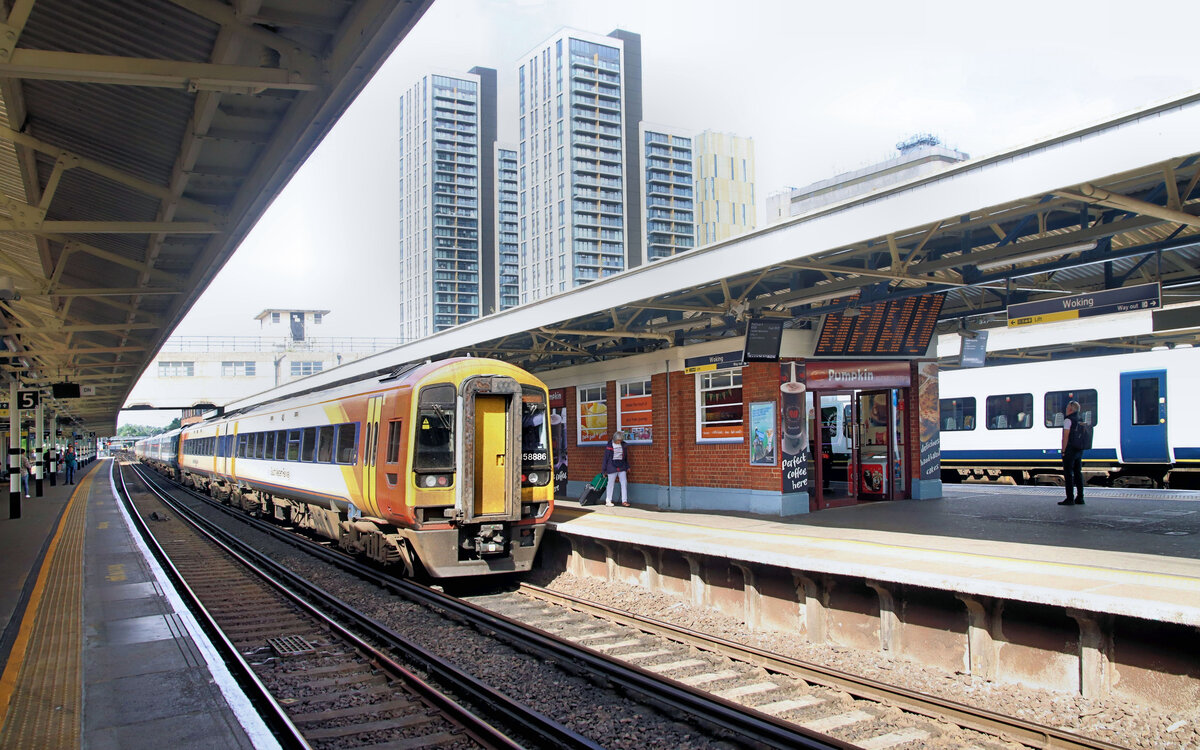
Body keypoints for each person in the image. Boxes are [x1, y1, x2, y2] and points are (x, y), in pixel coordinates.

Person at [1060, 401, 1085, 506]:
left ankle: (1070, 499)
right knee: (1078, 473)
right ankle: (1080, 497)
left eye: (1067, 407)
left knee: (1068, 474)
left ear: (1070, 409)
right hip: (1079, 449)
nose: (1066, 409)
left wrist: (1063, 450)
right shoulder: (1080, 419)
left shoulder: (1068, 420)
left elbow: (1065, 437)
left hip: (1070, 450)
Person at [601, 431, 631, 507]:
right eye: (618, 440)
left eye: (620, 440)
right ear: (614, 439)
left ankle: (624, 501)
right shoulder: (609, 445)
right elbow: (606, 458)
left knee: (624, 483)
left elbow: (625, 458)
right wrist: (603, 471)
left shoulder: (623, 445)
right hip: (611, 466)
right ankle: (608, 500)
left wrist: (627, 467)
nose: (619, 442)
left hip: (622, 466)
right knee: (610, 484)